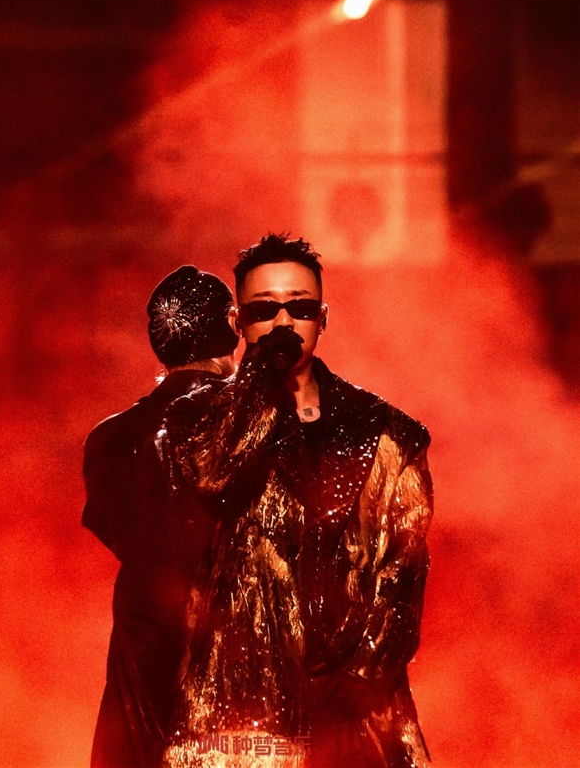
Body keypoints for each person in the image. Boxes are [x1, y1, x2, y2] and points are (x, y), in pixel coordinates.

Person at [160, 234, 433, 768]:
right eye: (264, 310)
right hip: (244, 695)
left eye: (300, 308)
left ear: (323, 319)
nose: (283, 323)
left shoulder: (385, 431)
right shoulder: (198, 419)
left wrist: (366, 665)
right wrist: (259, 377)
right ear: (239, 323)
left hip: (356, 700)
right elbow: (213, 475)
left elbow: (406, 559)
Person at [82, 265, 239, 768]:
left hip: (144, 641)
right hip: (236, 645)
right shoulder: (250, 424)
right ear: (232, 328)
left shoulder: (110, 440)